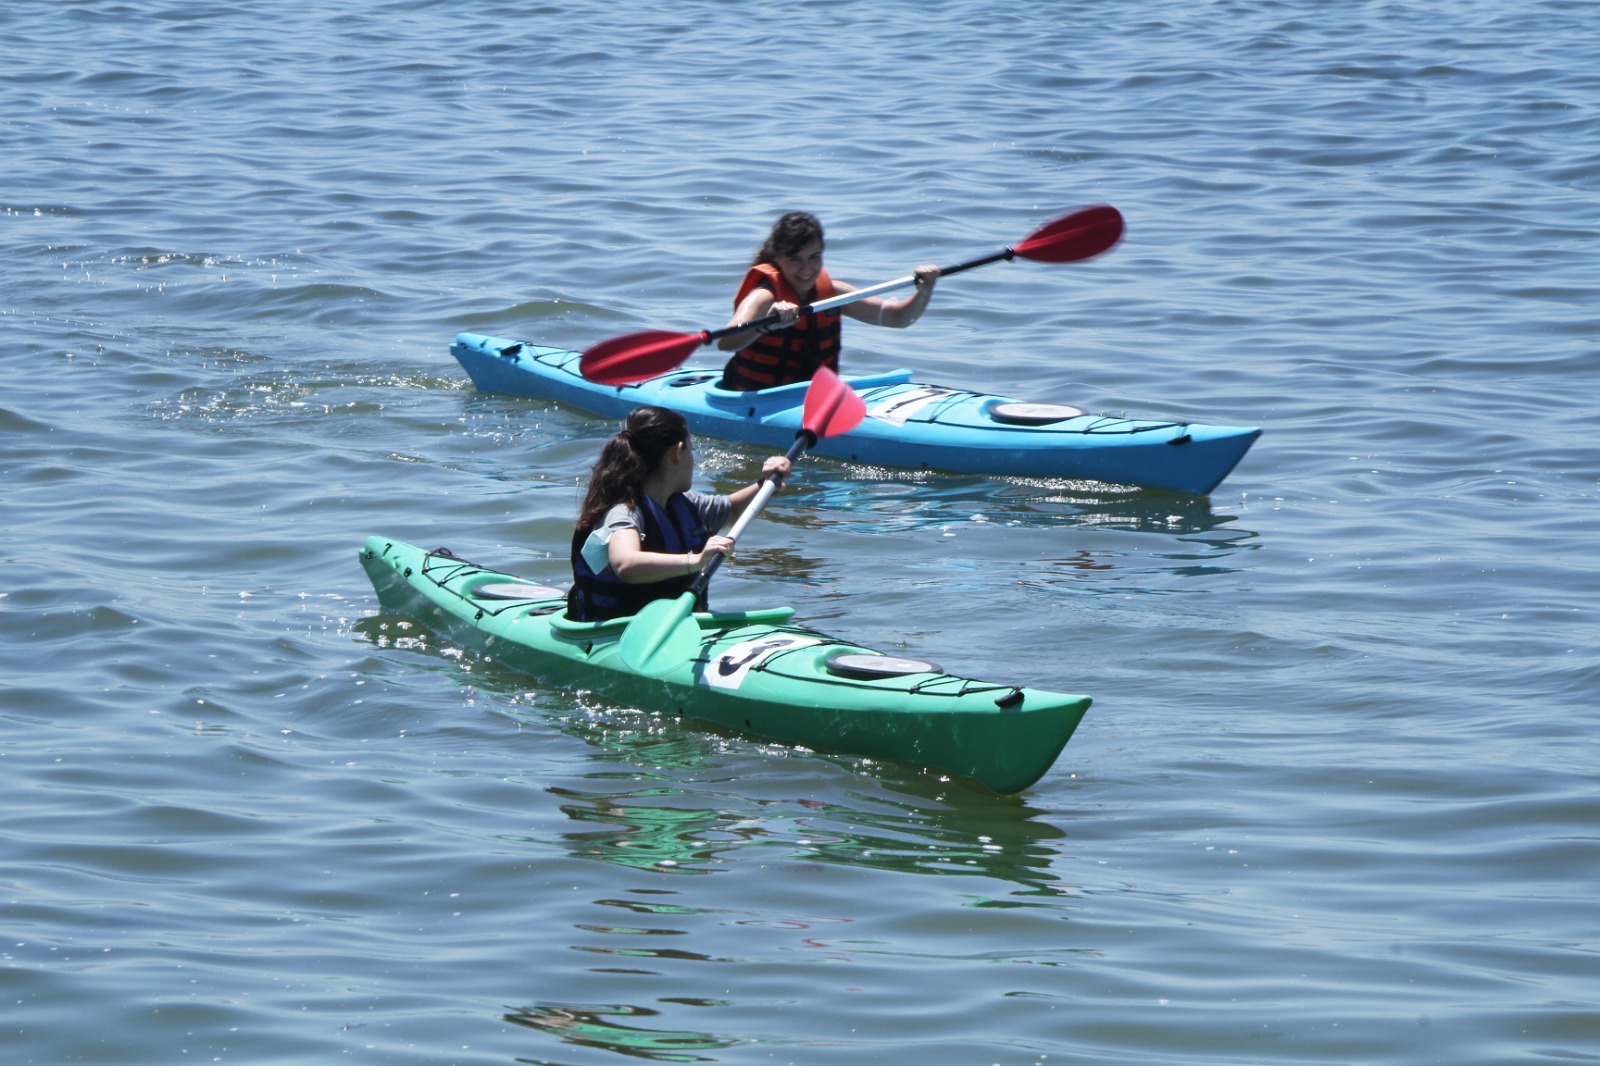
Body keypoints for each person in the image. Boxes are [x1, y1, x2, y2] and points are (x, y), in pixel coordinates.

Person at [567, 406, 792, 622]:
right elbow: (625, 564)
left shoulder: (682, 504)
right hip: (620, 637)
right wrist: (695, 560)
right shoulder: (624, 512)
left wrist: (766, 484)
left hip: (676, 630)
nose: (693, 459)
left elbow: (733, 510)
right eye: (691, 449)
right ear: (676, 453)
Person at [717, 211, 940, 391]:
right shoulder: (763, 297)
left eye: (814, 257)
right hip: (757, 399)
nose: (806, 270)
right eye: (795, 260)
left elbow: (898, 318)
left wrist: (924, 291)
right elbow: (725, 342)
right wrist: (767, 323)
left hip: (815, 399)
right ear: (778, 258)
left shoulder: (834, 294)